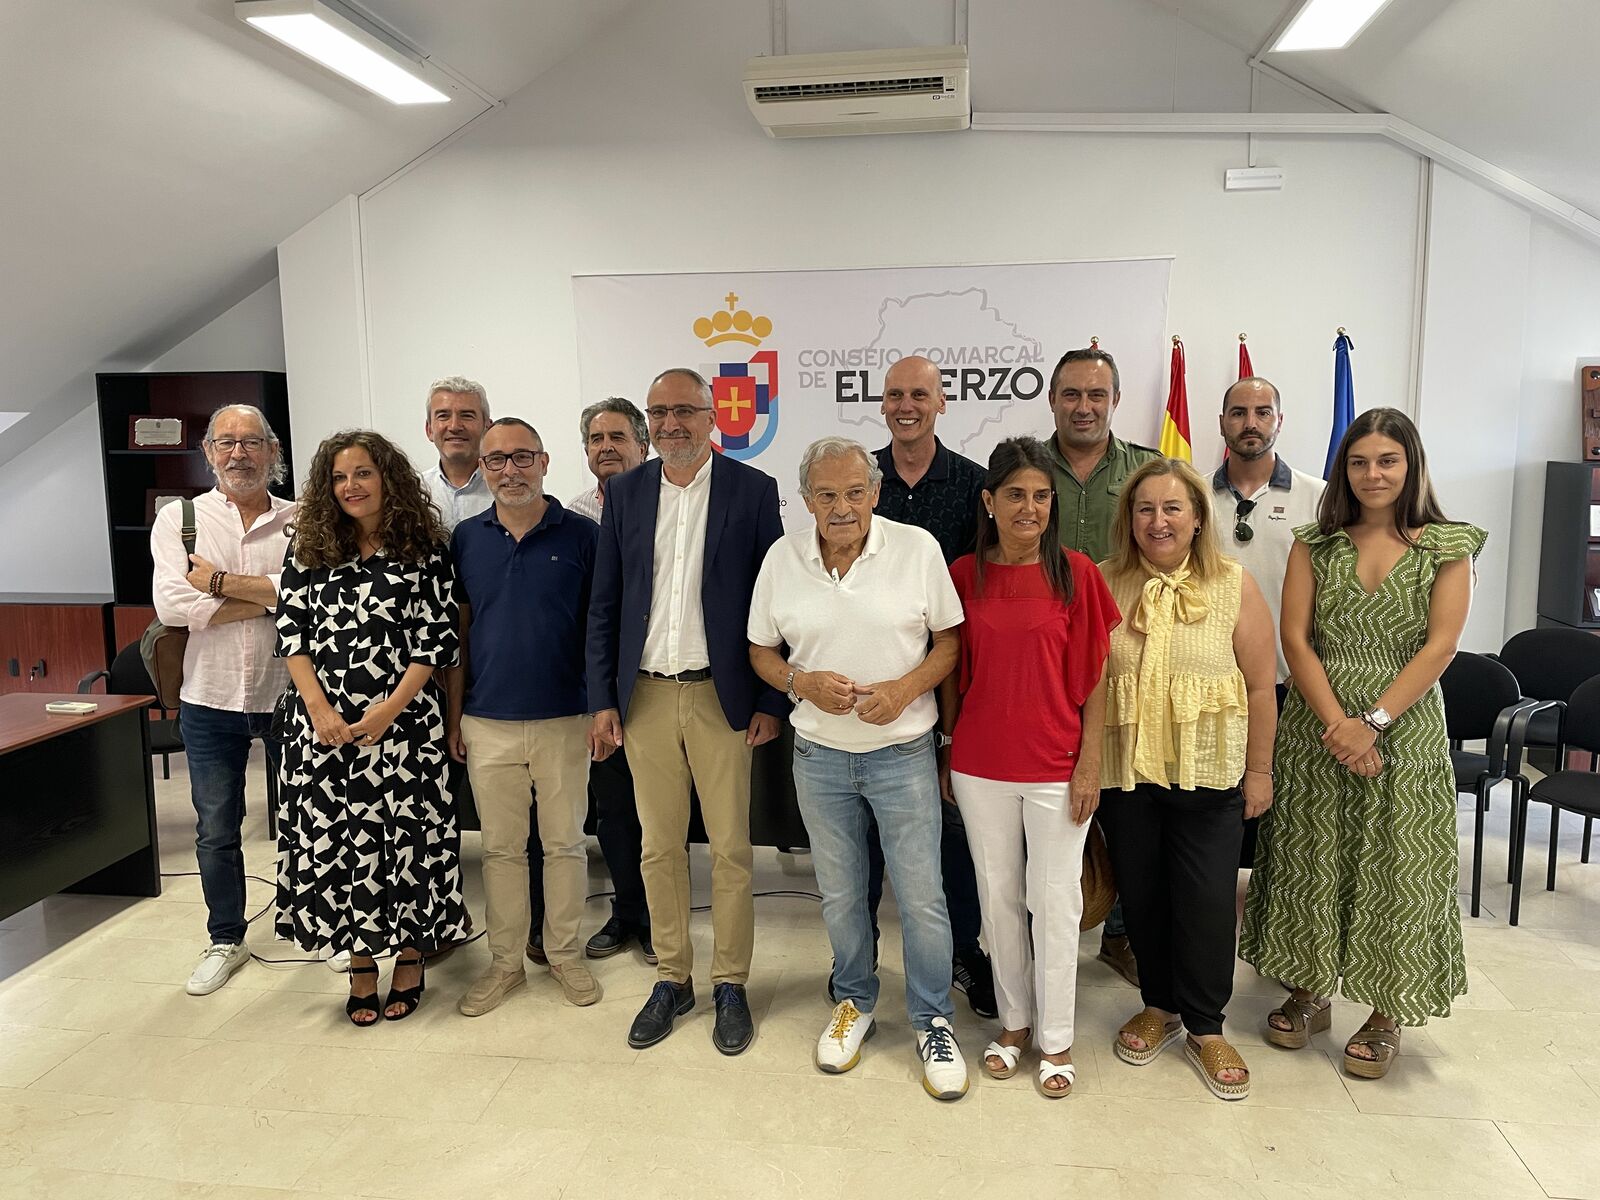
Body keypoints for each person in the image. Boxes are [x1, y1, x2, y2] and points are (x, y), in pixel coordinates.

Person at [1240, 407, 1483, 1080]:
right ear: (1343, 470)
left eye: (1387, 461)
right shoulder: (1315, 541)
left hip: (1404, 729)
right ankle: (1310, 991)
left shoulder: (1447, 544)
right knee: (1311, 858)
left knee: (1395, 867)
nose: (1373, 474)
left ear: (1412, 466)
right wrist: (1337, 724)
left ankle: (1384, 1011)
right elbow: (1296, 639)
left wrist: (1370, 722)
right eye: (1359, 462)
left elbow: (1441, 646)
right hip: (1317, 723)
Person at [749, 436, 970, 1101]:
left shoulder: (916, 549)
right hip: (818, 756)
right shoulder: (781, 559)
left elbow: (950, 642)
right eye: (826, 495)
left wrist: (904, 690)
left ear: (875, 493)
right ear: (807, 499)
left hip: (902, 753)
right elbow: (760, 649)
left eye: (854, 493)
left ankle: (934, 1019)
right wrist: (799, 681)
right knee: (842, 893)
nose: (841, 508)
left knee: (923, 896)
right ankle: (855, 1003)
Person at [587, 368, 784, 1055]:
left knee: (730, 847)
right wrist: (603, 700)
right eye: (660, 412)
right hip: (642, 696)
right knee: (658, 845)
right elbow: (605, 602)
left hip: (719, 696)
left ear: (712, 418)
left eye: (685, 412)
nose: (672, 424)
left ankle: (730, 981)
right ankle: (674, 978)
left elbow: (771, 605)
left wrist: (769, 698)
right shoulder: (629, 491)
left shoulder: (752, 492)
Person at [938, 437, 1119, 1099]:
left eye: (1041, 496)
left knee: (1056, 901)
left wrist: (1090, 763)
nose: (1029, 507)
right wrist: (950, 748)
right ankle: (1013, 1025)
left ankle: (1058, 1038)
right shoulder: (964, 575)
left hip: (1056, 766)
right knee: (999, 899)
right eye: (1015, 494)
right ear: (989, 501)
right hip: (981, 764)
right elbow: (954, 672)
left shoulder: (1078, 574)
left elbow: (1098, 676)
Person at [274, 430, 470, 1025]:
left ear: (387, 478)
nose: (350, 487)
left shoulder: (426, 546)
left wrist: (388, 710)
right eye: (338, 477)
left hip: (405, 729)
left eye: (362, 473)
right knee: (341, 847)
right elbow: (291, 634)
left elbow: (437, 639)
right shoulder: (309, 547)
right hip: (324, 732)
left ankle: (410, 955)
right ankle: (360, 963)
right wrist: (319, 709)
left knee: (406, 844)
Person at [1097, 457, 1277, 1101]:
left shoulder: (1234, 585)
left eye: (1173, 508)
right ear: (1130, 519)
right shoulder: (1104, 582)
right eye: (1145, 509)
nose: (1159, 520)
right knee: (1142, 896)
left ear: (1199, 518)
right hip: (1128, 772)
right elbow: (1088, 683)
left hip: (1209, 771)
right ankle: (1159, 1005)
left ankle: (1206, 1025)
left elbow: (1260, 685)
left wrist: (1260, 772)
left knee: (1204, 900)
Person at [446, 418, 602, 1015]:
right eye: (495, 461)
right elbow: (456, 634)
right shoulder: (465, 539)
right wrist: (457, 715)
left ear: (544, 460)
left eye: (520, 457)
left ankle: (564, 956)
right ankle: (506, 963)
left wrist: (598, 708)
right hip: (487, 720)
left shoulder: (583, 536)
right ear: (483, 470)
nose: (508, 470)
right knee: (502, 852)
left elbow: (598, 630)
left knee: (564, 845)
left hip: (566, 718)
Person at [151, 404, 295, 996]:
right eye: (226, 442)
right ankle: (226, 937)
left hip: (292, 691)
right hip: (208, 696)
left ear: (272, 452)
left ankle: (317, 926)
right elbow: (170, 607)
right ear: (209, 452)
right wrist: (267, 598)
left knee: (307, 819)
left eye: (252, 442)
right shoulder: (178, 520)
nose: (239, 453)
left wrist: (213, 582)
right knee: (216, 826)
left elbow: (310, 597)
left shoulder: (303, 520)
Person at [869, 354, 995, 1020]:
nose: (906, 404)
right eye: (895, 395)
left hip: (952, 688)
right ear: (882, 404)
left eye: (919, 393)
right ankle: (858, 961)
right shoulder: (858, 480)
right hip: (869, 691)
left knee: (953, 833)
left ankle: (967, 955)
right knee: (863, 840)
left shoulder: (975, 486)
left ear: (943, 402)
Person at [1043, 346, 1161, 987]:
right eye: (1071, 394)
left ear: (1115, 401)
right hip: (1045, 668)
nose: (1083, 406)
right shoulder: (1029, 469)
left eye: (1096, 395)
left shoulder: (1148, 470)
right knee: (1051, 803)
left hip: (1133, 659)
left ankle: (1121, 935)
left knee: (1126, 805)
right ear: (1053, 399)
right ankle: (1048, 930)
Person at [566, 397, 654, 963]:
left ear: (643, 444)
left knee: (663, 814)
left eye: (618, 437)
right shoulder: (574, 515)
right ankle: (627, 914)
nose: (607, 448)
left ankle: (659, 918)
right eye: (596, 439)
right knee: (615, 808)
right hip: (602, 691)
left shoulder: (667, 502)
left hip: (661, 684)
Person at [1210, 377, 1326, 684]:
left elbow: (1336, 594)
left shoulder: (1320, 498)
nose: (1250, 423)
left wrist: (1308, 670)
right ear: (1222, 423)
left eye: (1263, 413)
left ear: (1279, 421)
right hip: (1208, 680)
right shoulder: (1192, 496)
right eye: (1238, 413)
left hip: (1290, 683)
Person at [422, 377, 493, 529]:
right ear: (429, 430)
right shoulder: (413, 492)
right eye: (443, 416)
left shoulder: (509, 488)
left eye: (467, 415)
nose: (454, 426)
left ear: (487, 427)